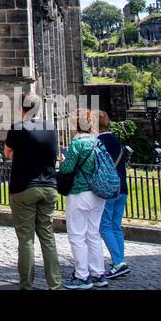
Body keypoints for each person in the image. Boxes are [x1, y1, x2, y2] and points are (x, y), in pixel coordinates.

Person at [3, 93, 62, 290]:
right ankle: (55, 284)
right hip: (49, 187)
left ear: (22, 108)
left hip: (24, 187)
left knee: (26, 239)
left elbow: (7, 153)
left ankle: (27, 285)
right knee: (47, 237)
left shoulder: (18, 128)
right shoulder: (51, 128)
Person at [58, 107, 106, 289]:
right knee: (93, 234)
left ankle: (82, 276)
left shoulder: (77, 144)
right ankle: (98, 273)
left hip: (80, 193)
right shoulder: (97, 142)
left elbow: (66, 169)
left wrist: (63, 162)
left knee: (77, 236)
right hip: (98, 193)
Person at [96, 109, 130, 280]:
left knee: (105, 226)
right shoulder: (117, 141)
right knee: (116, 226)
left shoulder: (98, 142)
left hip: (109, 190)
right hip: (122, 189)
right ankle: (120, 261)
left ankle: (118, 263)